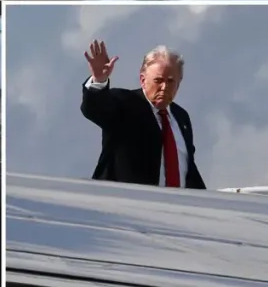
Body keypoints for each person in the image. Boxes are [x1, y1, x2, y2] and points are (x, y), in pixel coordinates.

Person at [80, 41, 206, 189]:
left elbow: (188, 168)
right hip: (127, 204)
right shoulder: (125, 103)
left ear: (179, 83)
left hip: (176, 207)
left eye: (171, 81)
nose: (164, 87)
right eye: (158, 80)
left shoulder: (181, 117)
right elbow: (95, 109)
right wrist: (99, 81)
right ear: (143, 80)